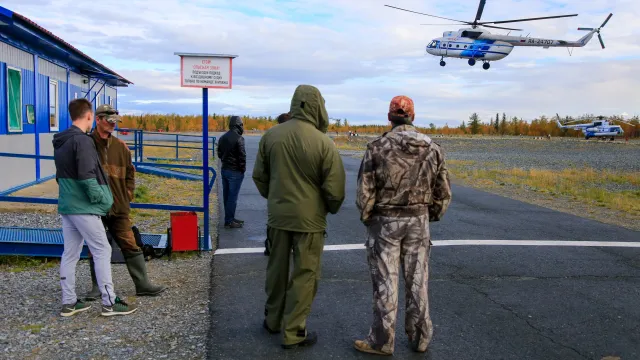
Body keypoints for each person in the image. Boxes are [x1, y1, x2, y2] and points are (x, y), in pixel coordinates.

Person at [354, 95, 452, 355]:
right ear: (413, 117)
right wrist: (429, 214)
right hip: (418, 222)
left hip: (385, 223)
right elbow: (443, 192)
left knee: (386, 282)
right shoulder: (433, 147)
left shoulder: (377, 147)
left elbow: (365, 192)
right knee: (418, 280)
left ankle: (382, 341)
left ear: (390, 117)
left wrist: (368, 217)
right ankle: (420, 338)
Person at [253, 85, 346, 349]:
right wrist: (326, 208)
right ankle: (294, 331)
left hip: (278, 217)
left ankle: (272, 320)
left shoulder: (271, 136)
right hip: (310, 221)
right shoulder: (323, 142)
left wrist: (275, 198)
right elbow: (335, 189)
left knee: (276, 270)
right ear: (317, 106)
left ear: (295, 104)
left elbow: (260, 176)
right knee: (305, 274)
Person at [53, 98, 137, 317]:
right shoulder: (83, 141)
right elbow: (87, 177)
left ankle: (69, 302)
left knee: (70, 253)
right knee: (102, 250)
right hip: (84, 207)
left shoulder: (62, 141)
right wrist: (104, 200)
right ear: (90, 116)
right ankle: (109, 302)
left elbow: (60, 176)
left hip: (67, 206)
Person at [82, 104, 167, 300]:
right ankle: (98, 287)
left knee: (130, 243)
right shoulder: (86, 145)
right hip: (94, 207)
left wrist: (128, 193)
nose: (113, 125)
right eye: (109, 121)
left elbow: (130, 173)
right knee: (96, 246)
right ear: (98, 120)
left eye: (115, 122)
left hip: (119, 207)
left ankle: (142, 284)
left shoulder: (121, 147)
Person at [263, 112, 291, 256]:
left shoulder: (271, 138)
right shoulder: (297, 139)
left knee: (274, 220)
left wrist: (267, 190)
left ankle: (271, 246)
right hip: (293, 189)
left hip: (276, 187)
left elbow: (261, 172)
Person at [217, 116, 247, 229]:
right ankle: (229, 221)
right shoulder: (239, 139)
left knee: (227, 196)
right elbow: (242, 156)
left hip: (225, 169)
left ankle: (229, 218)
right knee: (232, 197)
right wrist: (242, 169)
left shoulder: (222, 137)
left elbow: (219, 154)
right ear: (239, 125)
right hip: (235, 171)